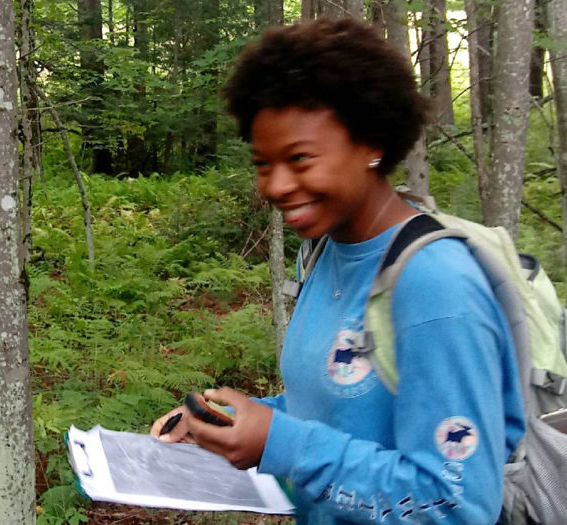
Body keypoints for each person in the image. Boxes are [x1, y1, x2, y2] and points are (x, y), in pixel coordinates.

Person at [150, 18, 525, 524]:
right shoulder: (327, 251)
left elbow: (455, 505)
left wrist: (281, 443)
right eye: (263, 163)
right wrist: (229, 423)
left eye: (300, 159)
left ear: (370, 142)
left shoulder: (435, 285)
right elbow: (347, 410)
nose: (277, 185)